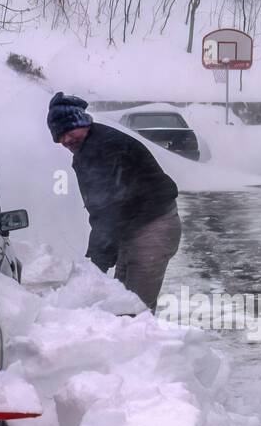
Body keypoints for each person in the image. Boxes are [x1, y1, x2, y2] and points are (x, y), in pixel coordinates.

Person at [48, 92, 182, 311]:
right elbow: (104, 209)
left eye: (68, 131)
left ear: (82, 122)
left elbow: (109, 208)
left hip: (153, 227)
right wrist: (99, 260)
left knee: (134, 308)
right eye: (58, 136)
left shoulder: (103, 148)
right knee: (118, 300)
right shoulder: (89, 146)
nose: (64, 140)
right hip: (132, 228)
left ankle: (142, 343)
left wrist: (96, 264)